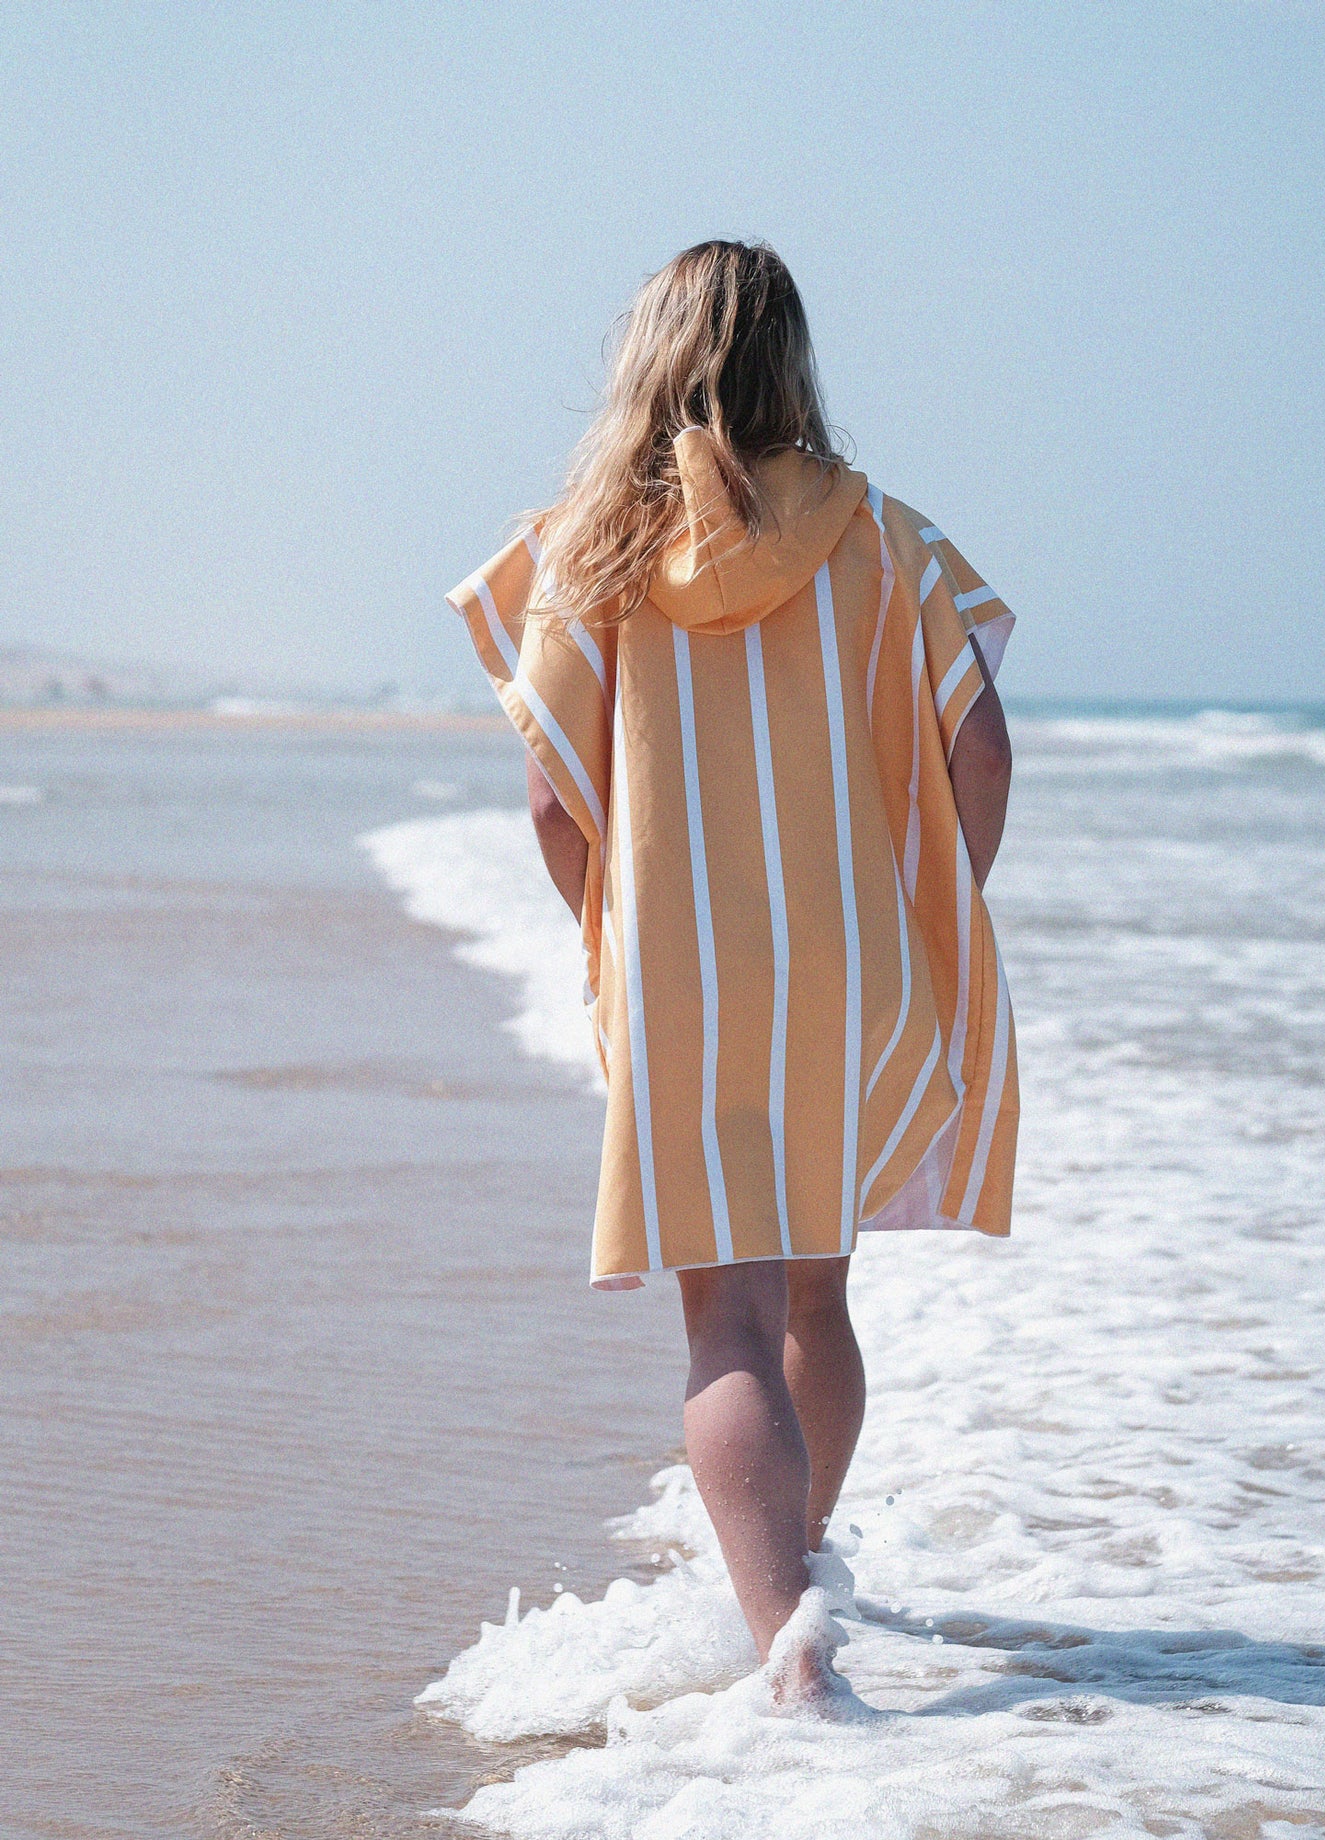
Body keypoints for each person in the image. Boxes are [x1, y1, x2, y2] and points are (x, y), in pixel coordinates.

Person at [447, 240, 1018, 1705]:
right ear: (792, 361)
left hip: (684, 980)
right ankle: (805, 1572)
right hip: (848, 973)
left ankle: (786, 1648)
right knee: (816, 1300)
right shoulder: (882, 537)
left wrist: (613, 939)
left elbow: (551, 801)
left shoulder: (587, 550)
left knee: (727, 1323)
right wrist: (932, 914)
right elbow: (977, 748)